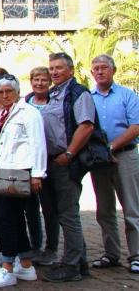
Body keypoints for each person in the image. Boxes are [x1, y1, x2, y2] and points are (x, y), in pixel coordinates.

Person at [0, 75, 47, 288]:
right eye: (0, 92)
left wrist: (37, 173)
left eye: (8, 91)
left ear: (18, 92)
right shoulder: (2, 113)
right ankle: (26, 264)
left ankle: (8, 266)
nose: (4, 95)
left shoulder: (29, 113)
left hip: (20, 172)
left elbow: (38, 144)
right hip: (2, 172)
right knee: (15, 219)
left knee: (6, 219)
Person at [39, 52, 96, 282]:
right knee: (61, 214)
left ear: (70, 70)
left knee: (69, 214)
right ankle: (79, 263)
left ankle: (71, 266)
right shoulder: (53, 93)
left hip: (66, 161)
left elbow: (86, 126)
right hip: (52, 161)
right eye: (51, 68)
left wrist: (69, 153)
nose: (53, 72)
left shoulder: (78, 93)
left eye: (59, 68)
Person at [89, 54, 139, 274]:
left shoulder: (128, 95)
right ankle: (111, 253)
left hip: (125, 156)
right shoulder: (88, 98)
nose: (100, 72)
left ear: (113, 70)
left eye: (104, 68)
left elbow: (136, 126)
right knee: (104, 209)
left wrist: (112, 146)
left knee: (131, 208)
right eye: (96, 69)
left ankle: (136, 255)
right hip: (99, 160)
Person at [24, 67, 58, 265]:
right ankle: (35, 245)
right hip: (29, 162)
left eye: (43, 80)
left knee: (49, 207)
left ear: (49, 82)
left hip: (52, 161)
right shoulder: (25, 103)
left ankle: (51, 248)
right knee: (30, 207)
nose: (39, 83)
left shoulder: (56, 102)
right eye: (36, 79)